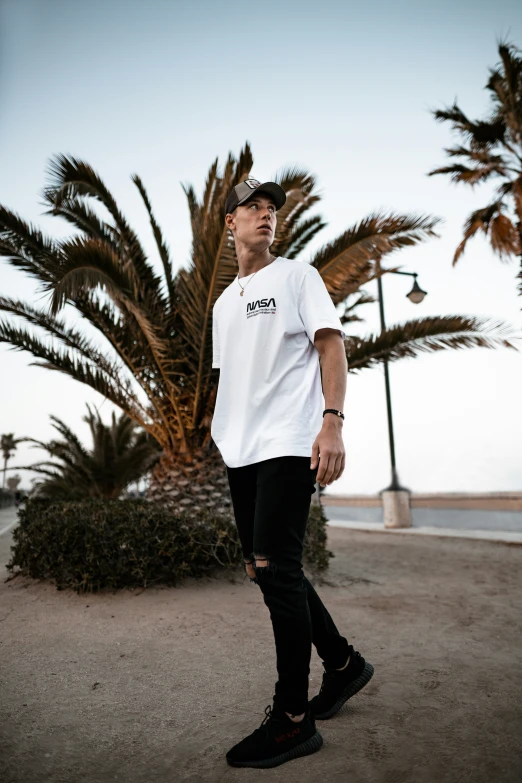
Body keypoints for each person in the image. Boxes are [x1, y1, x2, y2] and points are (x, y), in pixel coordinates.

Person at [211, 178, 374, 769]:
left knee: (278, 570)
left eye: (272, 208)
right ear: (228, 222)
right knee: (264, 569)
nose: (265, 215)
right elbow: (236, 376)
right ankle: (344, 665)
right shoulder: (223, 304)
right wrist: (223, 436)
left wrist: (331, 422)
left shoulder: (297, 276)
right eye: (252, 206)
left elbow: (331, 347)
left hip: (287, 440)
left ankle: (292, 719)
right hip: (241, 448)